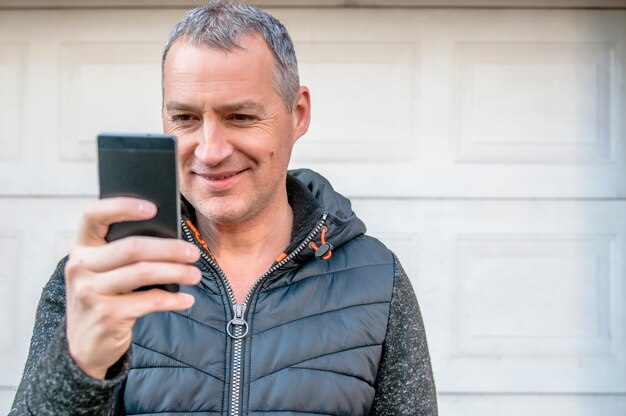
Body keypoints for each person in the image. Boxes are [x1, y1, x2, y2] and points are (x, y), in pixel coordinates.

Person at [10, 1, 437, 415]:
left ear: (298, 113)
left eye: (240, 117)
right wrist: (79, 365)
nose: (210, 152)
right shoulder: (100, 281)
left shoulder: (378, 280)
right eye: (186, 118)